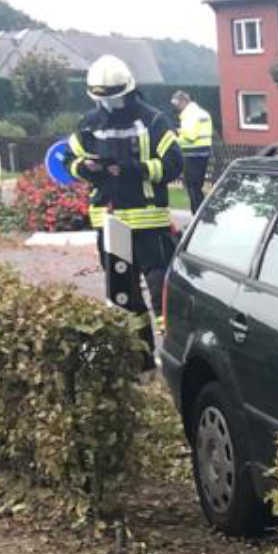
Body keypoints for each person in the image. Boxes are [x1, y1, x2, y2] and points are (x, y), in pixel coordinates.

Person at [64, 55, 182, 360]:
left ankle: (172, 358)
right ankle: (141, 360)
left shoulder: (153, 121)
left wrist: (133, 169)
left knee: (161, 291)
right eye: (103, 100)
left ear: (128, 91)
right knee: (124, 297)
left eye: (114, 99)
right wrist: (87, 169)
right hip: (110, 223)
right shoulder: (89, 124)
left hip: (149, 224)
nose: (110, 107)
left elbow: (172, 164)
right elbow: (68, 160)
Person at [171, 90, 214, 210]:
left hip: (192, 154)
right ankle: (201, 215)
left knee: (192, 187)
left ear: (184, 101)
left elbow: (190, 136)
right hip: (203, 153)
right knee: (197, 186)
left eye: (177, 103)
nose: (176, 106)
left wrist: (174, 138)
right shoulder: (201, 112)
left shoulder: (189, 114)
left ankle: (197, 216)